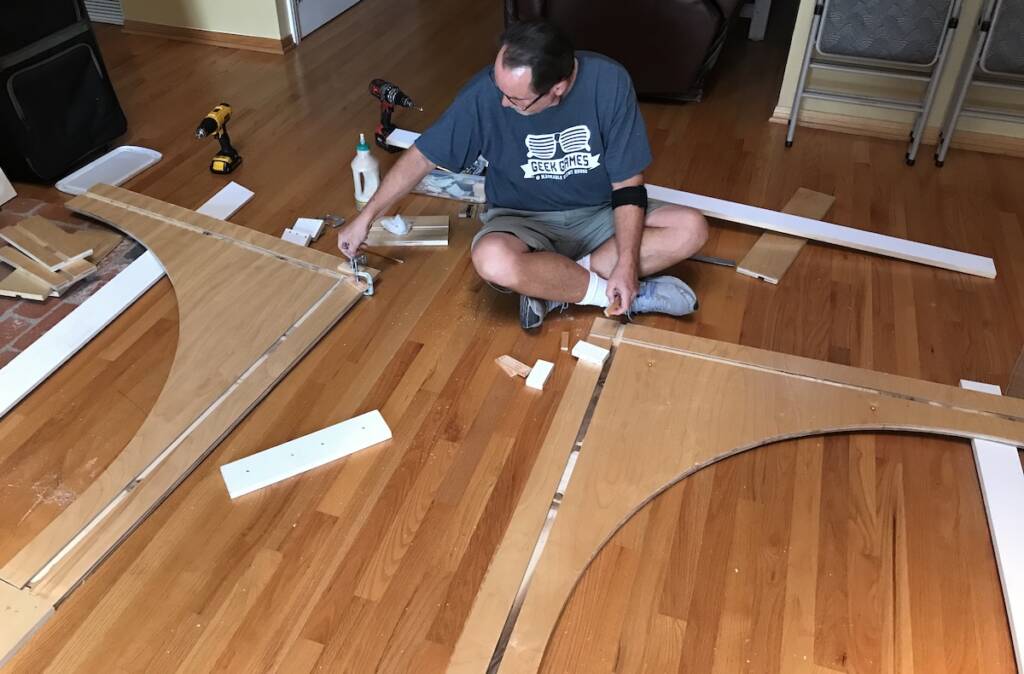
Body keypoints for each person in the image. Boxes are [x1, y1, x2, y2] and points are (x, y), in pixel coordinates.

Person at [338, 20, 708, 329]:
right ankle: (616, 296)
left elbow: (627, 184)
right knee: (492, 259)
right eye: (499, 87)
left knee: (692, 229)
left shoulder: (609, 83)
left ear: (557, 90)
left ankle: (559, 284)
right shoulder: (486, 94)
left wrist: (627, 264)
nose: (501, 102)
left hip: (599, 212)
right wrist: (367, 217)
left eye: (514, 99)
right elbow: (422, 157)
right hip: (522, 219)